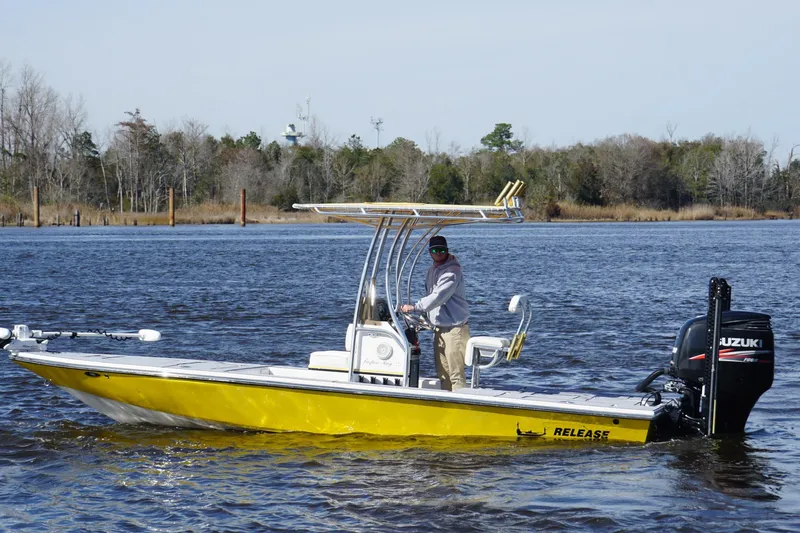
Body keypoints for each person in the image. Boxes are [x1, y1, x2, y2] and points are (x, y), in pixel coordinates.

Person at [401, 235, 470, 391]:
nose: (438, 253)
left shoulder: (452, 272)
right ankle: (447, 405)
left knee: (455, 374)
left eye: (442, 250)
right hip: (439, 329)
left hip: (455, 329)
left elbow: (438, 296)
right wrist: (422, 317)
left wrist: (415, 307)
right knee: (443, 374)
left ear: (447, 250)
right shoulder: (432, 270)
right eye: (435, 250)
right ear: (429, 252)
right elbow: (429, 295)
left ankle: (461, 406)